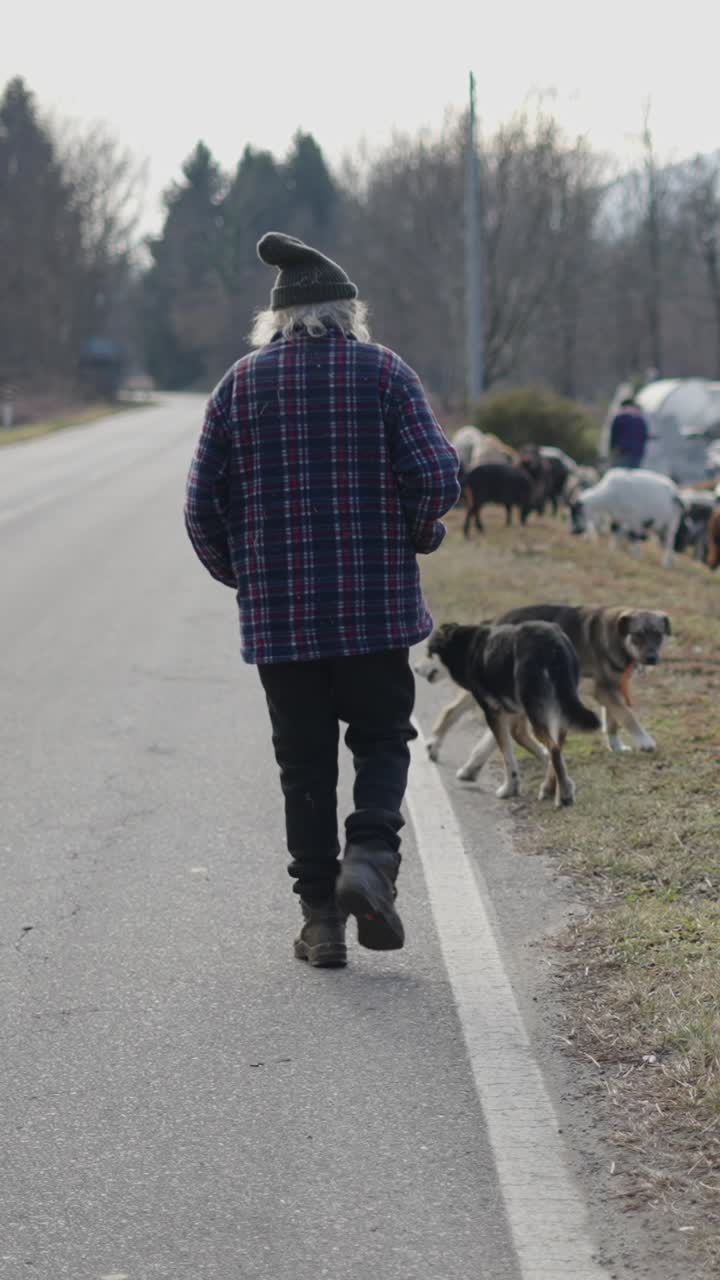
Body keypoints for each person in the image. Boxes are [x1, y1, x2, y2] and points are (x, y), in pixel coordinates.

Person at [184, 232, 460, 968]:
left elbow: (199, 509)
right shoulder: (385, 374)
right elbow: (438, 475)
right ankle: (369, 856)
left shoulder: (240, 385)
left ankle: (321, 924)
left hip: (284, 622)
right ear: (348, 314)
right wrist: (414, 530)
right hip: (375, 611)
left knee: (303, 766)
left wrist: (247, 576)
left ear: (275, 321)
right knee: (380, 739)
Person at [608, 397, 650, 469]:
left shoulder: (619, 419)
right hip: (637, 453)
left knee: (621, 472)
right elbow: (644, 436)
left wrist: (612, 449)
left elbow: (614, 436)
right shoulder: (640, 420)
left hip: (623, 452)